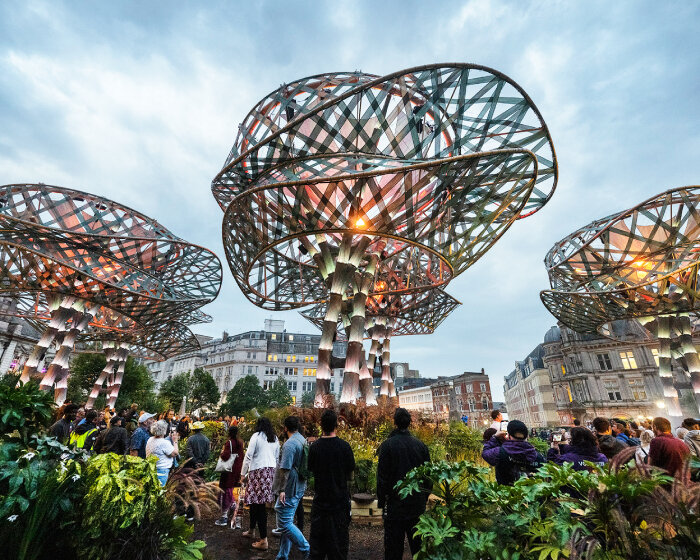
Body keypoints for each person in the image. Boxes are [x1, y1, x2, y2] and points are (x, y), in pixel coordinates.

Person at [377, 408, 430, 560]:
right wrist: (423, 498)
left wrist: (382, 503)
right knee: (418, 549)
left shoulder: (387, 446)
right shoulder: (421, 446)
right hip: (416, 505)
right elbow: (428, 476)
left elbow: (382, 477)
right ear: (409, 423)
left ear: (394, 423)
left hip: (395, 506)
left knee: (393, 549)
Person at [308, 409, 355, 560]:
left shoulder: (314, 448)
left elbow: (312, 472)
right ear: (336, 425)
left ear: (321, 426)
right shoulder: (345, 447)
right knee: (339, 549)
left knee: (317, 550)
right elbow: (350, 476)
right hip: (340, 504)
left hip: (320, 504)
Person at [272, 416, 310, 559]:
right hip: (300, 485)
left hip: (291, 487)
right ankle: (282, 556)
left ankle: (306, 549)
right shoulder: (302, 439)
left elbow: (285, 469)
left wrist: (282, 490)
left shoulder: (289, 444)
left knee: (284, 523)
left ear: (285, 428)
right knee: (287, 521)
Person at [241, 417, 280, 550]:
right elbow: (277, 458)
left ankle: (263, 540)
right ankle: (252, 530)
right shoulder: (274, 438)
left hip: (257, 471)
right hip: (270, 472)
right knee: (255, 503)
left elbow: (248, 456)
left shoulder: (256, 436)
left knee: (258, 506)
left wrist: (243, 474)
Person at [482, 420, 544, 485]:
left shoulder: (500, 452)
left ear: (508, 435)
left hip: (505, 493)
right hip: (531, 493)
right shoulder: (538, 457)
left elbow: (485, 453)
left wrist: (495, 438)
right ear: (526, 436)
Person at [214, 424, 245, 527]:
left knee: (225, 491)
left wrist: (221, 453)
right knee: (233, 490)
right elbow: (242, 456)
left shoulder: (229, 443)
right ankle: (234, 511)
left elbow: (225, 456)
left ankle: (224, 517)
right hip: (237, 470)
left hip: (228, 471)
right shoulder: (240, 443)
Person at [146, 419, 180, 485]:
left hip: (152, 468)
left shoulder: (150, 439)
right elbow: (175, 453)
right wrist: (175, 441)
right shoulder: (164, 443)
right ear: (164, 430)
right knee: (160, 491)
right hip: (161, 471)